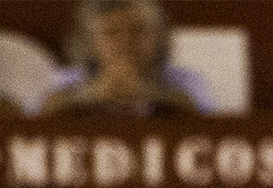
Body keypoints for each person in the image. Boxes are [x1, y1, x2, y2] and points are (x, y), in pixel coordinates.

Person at [36, 0, 212, 117]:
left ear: (159, 37)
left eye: (137, 30)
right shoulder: (64, 81)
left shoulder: (187, 83)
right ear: (90, 42)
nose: (125, 42)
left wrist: (149, 93)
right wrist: (95, 94)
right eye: (111, 32)